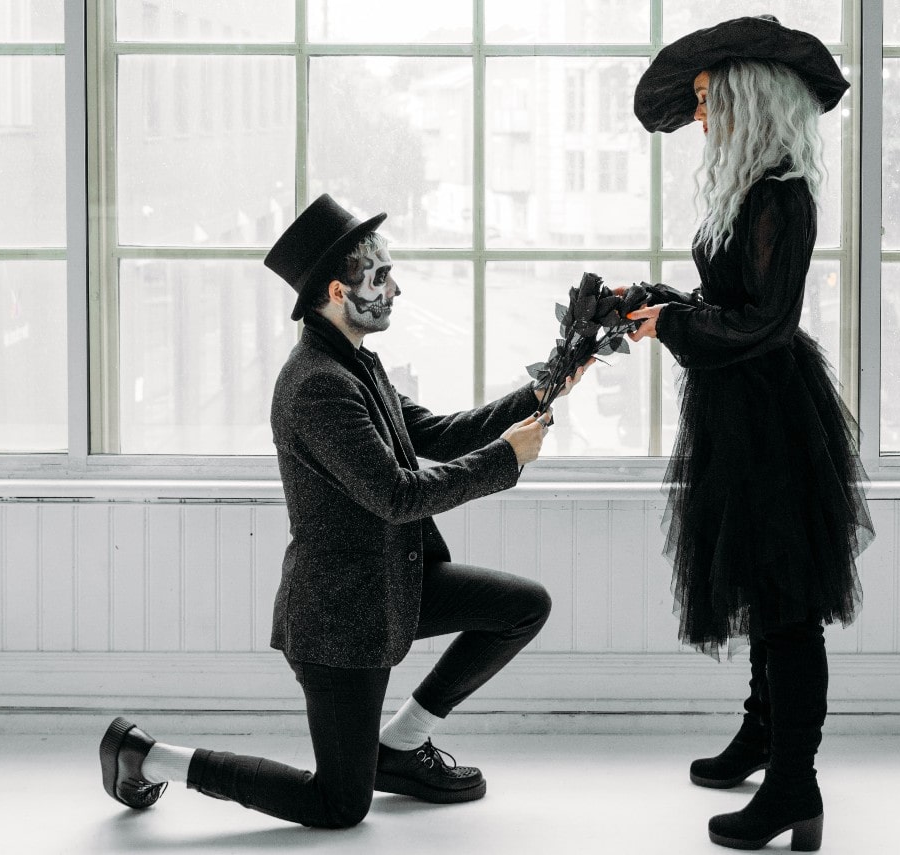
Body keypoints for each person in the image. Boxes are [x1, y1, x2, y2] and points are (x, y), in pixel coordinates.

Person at [98, 194, 588, 829]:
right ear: (339, 289)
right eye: (381, 277)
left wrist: (545, 387)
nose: (396, 288)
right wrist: (505, 460)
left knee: (523, 606)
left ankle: (402, 744)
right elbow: (397, 494)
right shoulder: (317, 385)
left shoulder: (351, 363)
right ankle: (148, 756)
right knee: (339, 805)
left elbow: (434, 433)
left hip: (394, 583)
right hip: (340, 618)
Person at [626, 16, 874, 852]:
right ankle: (762, 735)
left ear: (745, 100)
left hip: (769, 413)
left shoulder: (780, 194)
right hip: (743, 407)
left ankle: (794, 789)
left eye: (707, 101)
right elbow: (731, 302)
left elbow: (767, 323)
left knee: (785, 604)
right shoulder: (749, 187)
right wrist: (660, 302)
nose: (701, 117)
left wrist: (675, 326)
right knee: (768, 594)